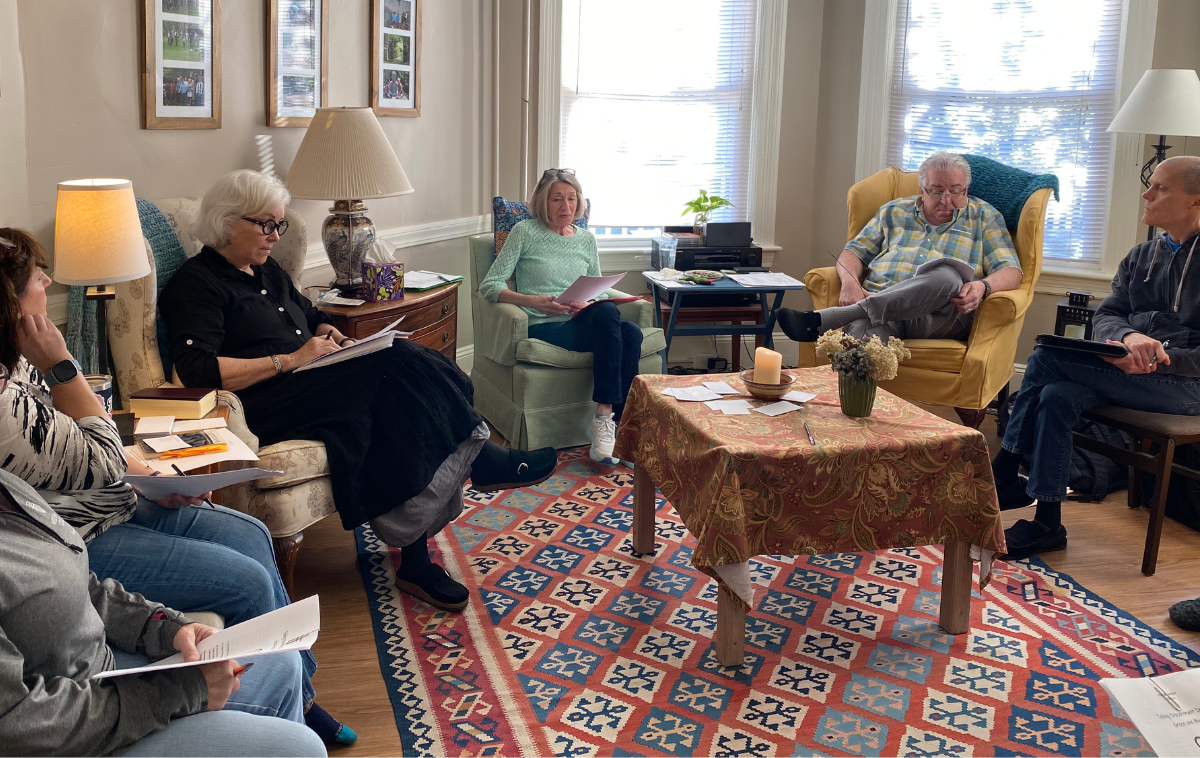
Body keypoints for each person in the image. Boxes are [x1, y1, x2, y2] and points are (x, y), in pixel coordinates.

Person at [0, 228, 356, 745]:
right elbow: (96, 455)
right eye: (38, 277)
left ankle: (299, 696)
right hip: (87, 528)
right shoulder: (14, 397)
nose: (50, 281)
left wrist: (151, 482)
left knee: (253, 535)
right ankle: (293, 708)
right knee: (248, 582)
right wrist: (64, 367)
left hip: (105, 501)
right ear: (9, 301)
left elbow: (82, 456)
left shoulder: (19, 364)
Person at [159, 170, 558, 613]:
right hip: (265, 402)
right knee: (398, 373)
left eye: (279, 225)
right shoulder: (196, 284)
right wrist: (291, 360)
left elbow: (309, 317)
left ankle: (421, 551)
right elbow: (197, 371)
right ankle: (476, 470)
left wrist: (339, 338)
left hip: (314, 379)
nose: (275, 236)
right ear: (228, 222)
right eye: (266, 225)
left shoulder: (264, 268)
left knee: (412, 371)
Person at [0, 466, 326, 757]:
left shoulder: (8, 487)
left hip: (92, 674)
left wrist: (161, 627)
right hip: (70, 732)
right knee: (302, 748)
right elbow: (17, 727)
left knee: (283, 665)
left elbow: (78, 583)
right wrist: (182, 691)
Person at [991, 155, 1200, 558]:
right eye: (1149, 184)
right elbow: (1107, 314)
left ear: (1195, 201)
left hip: (1186, 387)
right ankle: (1047, 523)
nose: (1147, 193)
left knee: (1047, 357)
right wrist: (1128, 337)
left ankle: (1004, 468)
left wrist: (1161, 357)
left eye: (1161, 188)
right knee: (1056, 394)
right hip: (1130, 374)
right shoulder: (1142, 255)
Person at [478, 168, 643, 464]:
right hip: (544, 325)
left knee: (632, 332)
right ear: (543, 201)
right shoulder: (524, 232)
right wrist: (533, 301)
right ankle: (604, 415)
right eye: (557, 199)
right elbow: (490, 286)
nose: (566, 207)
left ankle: (618, 429)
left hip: (580, 320)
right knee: (616, 321)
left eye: (571, 198)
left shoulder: (586, 239)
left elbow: (599, 289)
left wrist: (589, 301)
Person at [777, 151, 1022, 344]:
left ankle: (832, 318)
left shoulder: (984, 217)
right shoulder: (893, 211)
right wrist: (851, 283)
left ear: (966, 190)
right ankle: (849, 407)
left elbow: (1012, 272)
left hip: (938, 317)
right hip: (880, 305)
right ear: (922, 190)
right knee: (859, 353)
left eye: (956, 191)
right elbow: (853, 252)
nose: (947, 200)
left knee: (948, 274)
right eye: (937, 191)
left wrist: (982, 286)